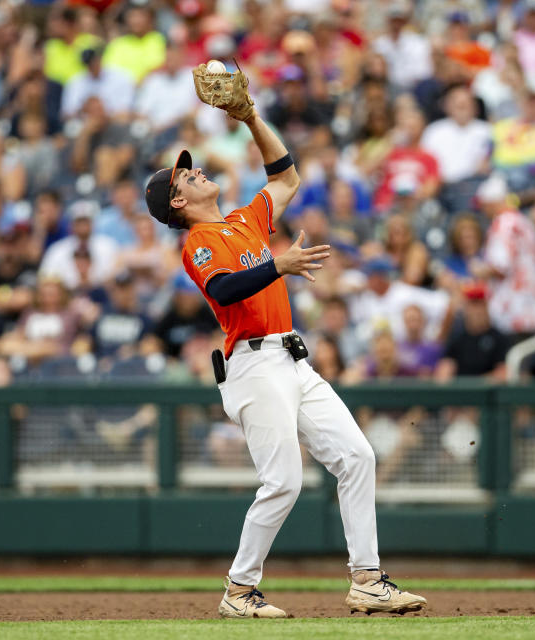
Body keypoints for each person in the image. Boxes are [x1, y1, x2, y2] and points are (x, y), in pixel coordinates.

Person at [144, 107, 426, 616]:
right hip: (253, 366)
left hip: (292, 359)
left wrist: (251, 118)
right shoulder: (198, 243)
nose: (198, 169)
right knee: (284, 482)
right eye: (187, 174)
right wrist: (280, 264)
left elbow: (286, 175)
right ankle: (239, 590)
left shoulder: (243, 220)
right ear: (179, 200)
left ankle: (367, 579)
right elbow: (226, 289)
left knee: (357, 457)